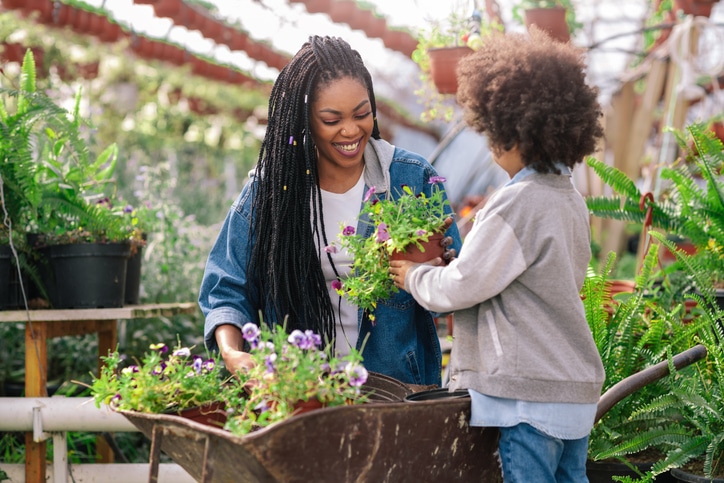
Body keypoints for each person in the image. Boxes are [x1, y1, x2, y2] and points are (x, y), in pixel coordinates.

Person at [389, 29, 606, 482]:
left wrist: (412, 274)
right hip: (571, 389)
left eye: (495, 135)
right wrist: (459, 260)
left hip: (528, 395)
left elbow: (465, 286)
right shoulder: (568, 199)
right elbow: (530, 281)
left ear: (520, 131)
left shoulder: (518, 200)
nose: (490, 147)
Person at [198, 36, 461, 387]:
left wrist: (439, 273)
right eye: (331, 119)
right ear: (304, 120)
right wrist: (233, 354)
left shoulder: (411, 178)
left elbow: (457, 289)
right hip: (302, 391)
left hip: (397, 391)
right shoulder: (271, 193)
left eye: (362, 114)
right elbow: (225, 287)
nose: (351, 130)